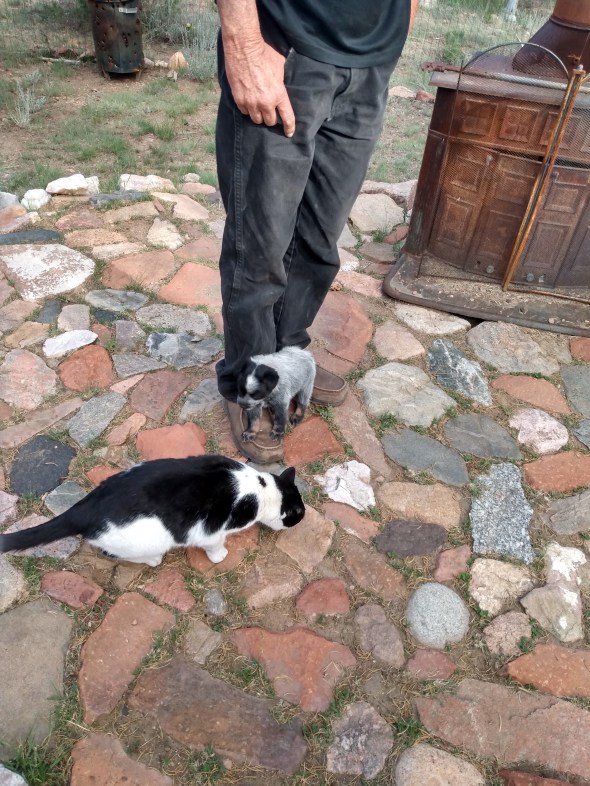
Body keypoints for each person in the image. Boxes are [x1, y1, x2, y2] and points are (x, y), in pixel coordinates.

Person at [215, 0, 419, 463]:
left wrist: (394, 31)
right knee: (260, 243)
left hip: (369, 65)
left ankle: (286, 361)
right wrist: (244, 44)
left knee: (319, 239)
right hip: (285, 48)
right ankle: (248, 379)